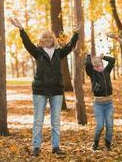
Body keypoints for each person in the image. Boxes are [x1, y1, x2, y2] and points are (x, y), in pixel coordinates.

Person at [9, 18, 79, 156]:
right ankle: (36, 147)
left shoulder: (59, 52)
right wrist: (21, 29)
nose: (47, 39)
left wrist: (76, 34)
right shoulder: (37, 52)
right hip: (40, 90)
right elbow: (27, 43)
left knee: (56, 121)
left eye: (49, 37)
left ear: (53, 39)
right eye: (45, 37)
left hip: (56, 90)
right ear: (41, 40)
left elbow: (70, 46)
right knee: (38, 120)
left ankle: (56, 147)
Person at [85, 54, 115, 151]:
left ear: (101, 62)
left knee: (110, 125)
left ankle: (108, 143)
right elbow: (87, 65)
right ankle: (95, 142)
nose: (97, 63)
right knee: (100, 126)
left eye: (98, 61)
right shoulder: (92, 73)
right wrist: (89, 56)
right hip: (98, 105)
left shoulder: (106, 71)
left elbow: (112, 60)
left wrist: (103, 57)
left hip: (109, 104)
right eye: (95, 62)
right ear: (93, 65)